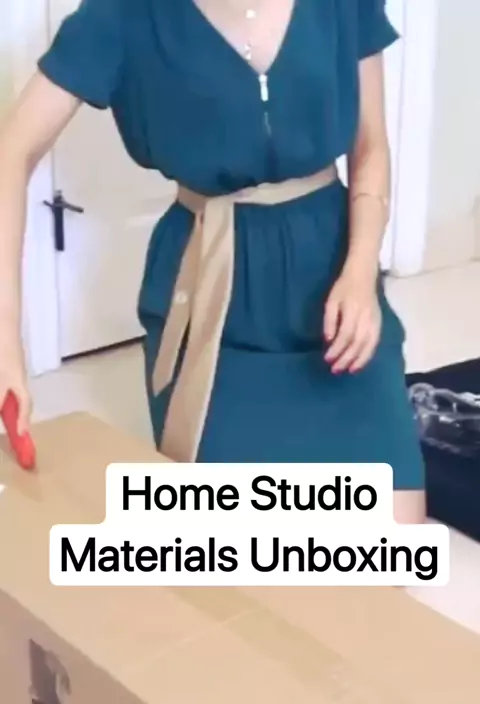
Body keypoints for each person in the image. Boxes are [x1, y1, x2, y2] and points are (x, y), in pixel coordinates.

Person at [0, 0, 425, 523]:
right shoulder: (124, 13)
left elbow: (370, 145)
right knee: (252, 553)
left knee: (391, 540)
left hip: (335, 285)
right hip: (214, 298)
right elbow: (10, 150)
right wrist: (6, 345)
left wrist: (360, 272)